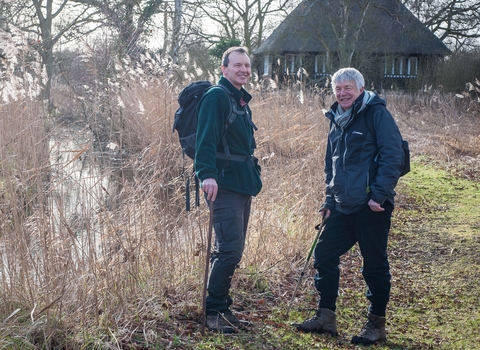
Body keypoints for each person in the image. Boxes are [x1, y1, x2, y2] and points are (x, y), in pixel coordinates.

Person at [293, 68, 404, 344]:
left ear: (360, 89)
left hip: (371, 206)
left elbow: (394, 155)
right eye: (338, 89)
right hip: (342, 206)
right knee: (324, 254)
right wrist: (329, 200)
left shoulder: (376, 114)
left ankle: (376, 324)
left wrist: (378, 195)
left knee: (374, 265)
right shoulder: (336, 119)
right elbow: (331, 166)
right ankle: (326, 317)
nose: (342, 93)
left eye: (348, 88)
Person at [195, 47, 262, 333]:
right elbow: (205, 140)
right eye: (237, 65)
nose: (244, 70)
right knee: (230, 250)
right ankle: (213, 313)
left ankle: (222, 308)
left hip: (241, 183)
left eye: (247, 66)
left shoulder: (239, 99)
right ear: (224, 69)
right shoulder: (217, 96)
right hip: (222, 185)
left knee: (230, 250)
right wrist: (206, 175)